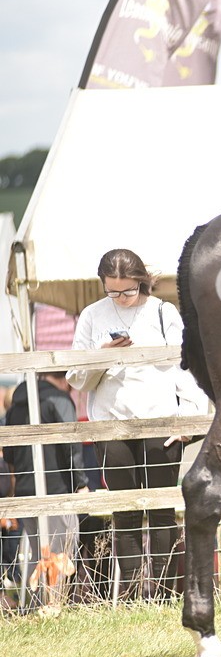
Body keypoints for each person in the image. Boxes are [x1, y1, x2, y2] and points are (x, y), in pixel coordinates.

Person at [67, 249, 208, 601]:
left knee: (161, 509)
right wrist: (102, 355)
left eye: (128, 291)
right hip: (111, 424)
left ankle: (160, 594)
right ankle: (130, 594)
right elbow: (77, 379)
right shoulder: (91, 316)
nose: (120, 298)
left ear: (142, 282)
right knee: (125, 510)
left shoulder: (163, 312)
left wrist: (189, 417)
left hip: (161, 421)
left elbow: (185, 367)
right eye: (112, 292)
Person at [3, 372, 91, 604]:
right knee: (61, 553)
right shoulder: (60, 401)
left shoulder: (16, 407)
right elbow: (72, 446)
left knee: (36, 553)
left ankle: (34, 607)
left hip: (24, 490)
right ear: (66, 380)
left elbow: (9, 454)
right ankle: (54, 607)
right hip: (57, 489)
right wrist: (81, 482)